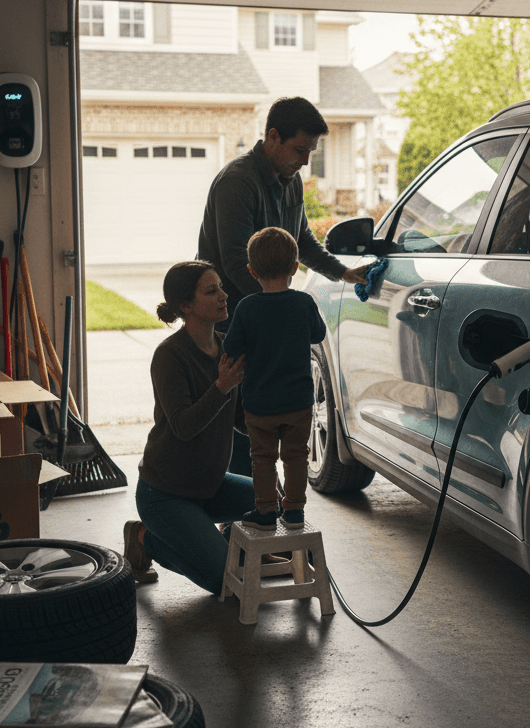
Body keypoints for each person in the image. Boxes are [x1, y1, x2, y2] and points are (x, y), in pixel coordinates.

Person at [197, 96, 370, 474]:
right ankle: (241, 508)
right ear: (273, 137)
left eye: (311, 151)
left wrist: (343, 273)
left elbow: (303, 241)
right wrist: (277, 307)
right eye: (300, 149)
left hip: (265, 313)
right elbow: (234, 260)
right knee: (238, 422)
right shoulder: (237, 183)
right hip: (232, 323)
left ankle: (262, 499)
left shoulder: (291, 183)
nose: (305, 160)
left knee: (265, 418)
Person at [124, 260, 261, 594]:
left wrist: (274, 427)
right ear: (186, 307)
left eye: (221, 287)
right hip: (165, 493)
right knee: (223, 580)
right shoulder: (170, 355)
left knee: (272, 499)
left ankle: (219, 546)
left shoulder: (229, 346)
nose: (224, 295)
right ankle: (145, 538)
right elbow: (184, 426)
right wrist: (221, 388)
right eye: (211, 291)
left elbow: (240, 418)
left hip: (210, 485)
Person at [222, 227, 326, 532]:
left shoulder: (247, 307)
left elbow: (231, 348)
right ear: (295, 268)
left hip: (259, 403)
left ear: (252, 271)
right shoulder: (303, 303)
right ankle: (294, 511)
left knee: (263, 458)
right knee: (296, 456)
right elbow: (318, 334)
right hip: (298, 401)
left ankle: (266, 510)